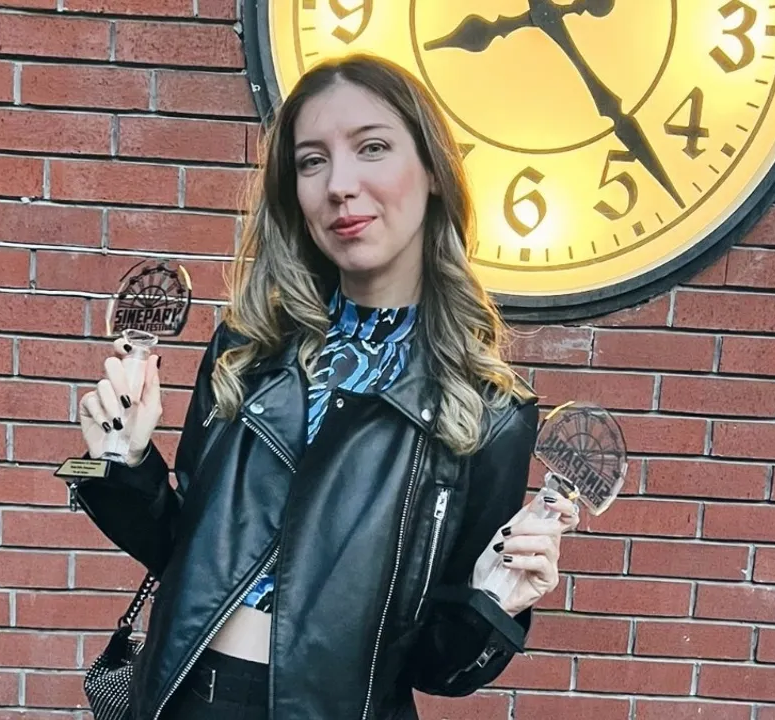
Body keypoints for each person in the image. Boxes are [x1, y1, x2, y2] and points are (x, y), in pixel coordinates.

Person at [70, 52, 580, 720]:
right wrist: (125, 463)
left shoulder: (488, 409)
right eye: (312, 161)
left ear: (432, 170)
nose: (340, 184)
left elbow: (438, 669)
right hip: (182, 700)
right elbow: (183, 557)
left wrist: (495, 600)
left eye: (372, 148)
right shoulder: (247, 348)